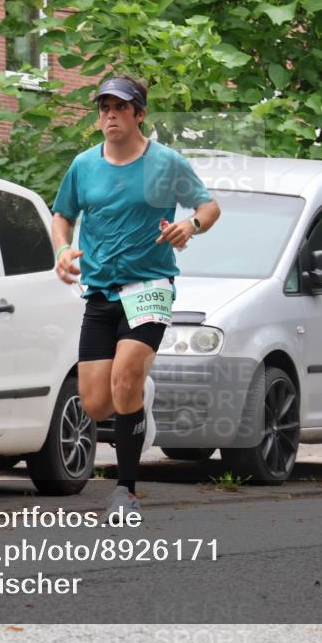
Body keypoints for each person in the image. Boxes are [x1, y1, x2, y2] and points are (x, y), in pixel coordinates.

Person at [51, 74, 220, 521]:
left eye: (120, 107)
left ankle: (125, 491)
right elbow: (62, 216)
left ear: (139, 114)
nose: (110, 115)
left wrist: (191, 226)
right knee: (95, 403)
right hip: (100, 290)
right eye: (104, 107)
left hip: (150, 286)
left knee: (124, 377)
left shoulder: (166, 164)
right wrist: (63, 249)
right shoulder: (84, 166)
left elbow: (209, 207)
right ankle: (138, 400)